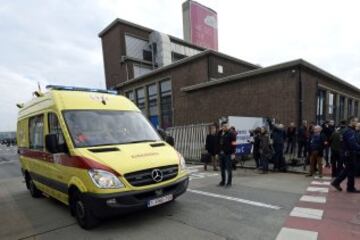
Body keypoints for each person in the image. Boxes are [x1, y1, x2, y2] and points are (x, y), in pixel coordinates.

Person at [331, 116, 360, 193]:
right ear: (351, 122)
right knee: (349, 170)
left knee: (349, 170)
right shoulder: (349, 131)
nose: (357, 123)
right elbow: (352, 144)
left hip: (348, 153)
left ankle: (348, 186)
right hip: (349, 154)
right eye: (356, 122)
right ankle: (344, 185)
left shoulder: (349, 131)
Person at [218, 121, 236, 187]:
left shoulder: (231, 134)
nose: (225, 127)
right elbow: (218, 143)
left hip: (228, 154)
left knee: (228, 169)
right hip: (221, 153)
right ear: (222, 126)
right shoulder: (220, 133)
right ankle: (223, 181)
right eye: (223, 126)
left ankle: (229, 182)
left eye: (226, 126)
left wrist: (233, 153)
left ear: (228, 126)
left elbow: (234, 144)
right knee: (222, 169)